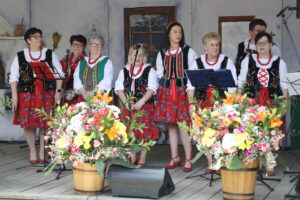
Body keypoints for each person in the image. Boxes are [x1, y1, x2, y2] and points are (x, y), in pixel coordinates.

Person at [9, 27, 64, 163]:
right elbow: (14, 77)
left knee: (45, 123)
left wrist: (58, 92)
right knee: (28, 124)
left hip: (47, 93)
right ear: (28, 40)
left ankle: (42, 150)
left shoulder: (49, 54)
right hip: (26, 94)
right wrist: (14, 96)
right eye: (36, 37)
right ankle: (32, 150)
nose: (39, 39)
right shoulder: (20, 56)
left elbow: (60, 74)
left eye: (40, 36)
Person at [238, 31, 288, 176]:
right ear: (255, 45)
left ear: (270, 45)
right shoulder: (248, 60)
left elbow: (284, 85)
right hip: (253, 100)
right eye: (259, 43)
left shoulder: (279, 62)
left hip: (272, 101)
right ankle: (258, 162)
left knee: (271, 132)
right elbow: (241, 81)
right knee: (254, 131)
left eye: (265, 42)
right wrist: (239, 100)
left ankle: (270, 163)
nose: (262, 45)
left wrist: (283, 104)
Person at [189, 32, 237, 173]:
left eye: (217, 44)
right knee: (204, 133)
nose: (215, 47)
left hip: (221, 101)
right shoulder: (197, 62)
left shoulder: (226, 61)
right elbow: (190, 87)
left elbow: (232, 86)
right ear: (205, 46)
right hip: (202, 101)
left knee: (221, 132)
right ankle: (210, 162)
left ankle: (220, 161)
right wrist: (191, 105)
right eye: (212, 45)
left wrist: (229, 105)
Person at [156, 21, 197, 172]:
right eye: (175, 32)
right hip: (167, 92)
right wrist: (164, 85)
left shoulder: (188, 51)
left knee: (183, 125)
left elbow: (193, 73)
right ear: (168, 34)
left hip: (183, 91)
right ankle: (174, 157)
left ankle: (187, 159)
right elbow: (160, 73)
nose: (178, 35)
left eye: (180, 32)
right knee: (171, 125)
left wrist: (189, 91)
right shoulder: (162, 52)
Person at [115, 44, 159, 165]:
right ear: (130, 56)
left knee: (144, 132)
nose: (137, 58)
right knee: (129, 131)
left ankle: (143, 158)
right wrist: (126, 103)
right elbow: (119, 89)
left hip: (144, 106)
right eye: (135, 55)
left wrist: (141, 102)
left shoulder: (149, 70)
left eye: (140, 55)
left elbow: (151, 89)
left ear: (143, 56)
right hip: (128, 107)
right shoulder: (124, 70)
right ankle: (133, 156)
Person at [73, 34, 113, 100]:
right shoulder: (82, 62)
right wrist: (83, 92)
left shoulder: (106, 61)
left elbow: (107, 80)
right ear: (89, 47)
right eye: (94, 45)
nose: (97, 47)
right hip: (83, 98)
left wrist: (93, 93)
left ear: (102, 48)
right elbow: (76, 79)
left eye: (99, 45)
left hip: (100, 99)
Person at [60, 35, 86, 104]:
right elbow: (60, 75)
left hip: (79, 91)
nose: (77, 47)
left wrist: (73, 92)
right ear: (71, 46)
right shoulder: (65, 59)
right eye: (74, 44)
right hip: (65, 90)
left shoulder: (86, 60)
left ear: (84, 47)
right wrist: (60, 89)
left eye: (80, 45)